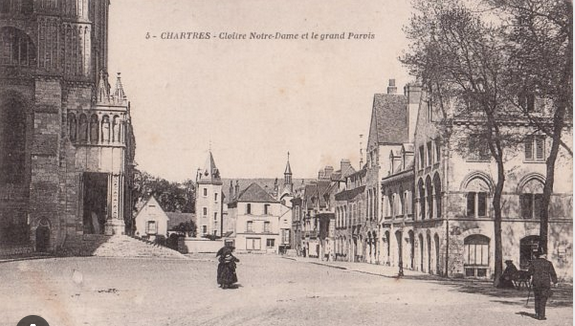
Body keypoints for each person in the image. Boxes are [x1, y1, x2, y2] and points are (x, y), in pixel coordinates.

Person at [528, 249, 558, 320]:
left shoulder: (534, 263)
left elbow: (529, 273)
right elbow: (552, 273)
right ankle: (541, 315)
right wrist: (555, 282)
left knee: (537, 297)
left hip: (536, 282)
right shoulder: (548, 263)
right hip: (545, 282)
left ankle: (537, 313)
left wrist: (529, 278)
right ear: (544, 255)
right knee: (543, 298)